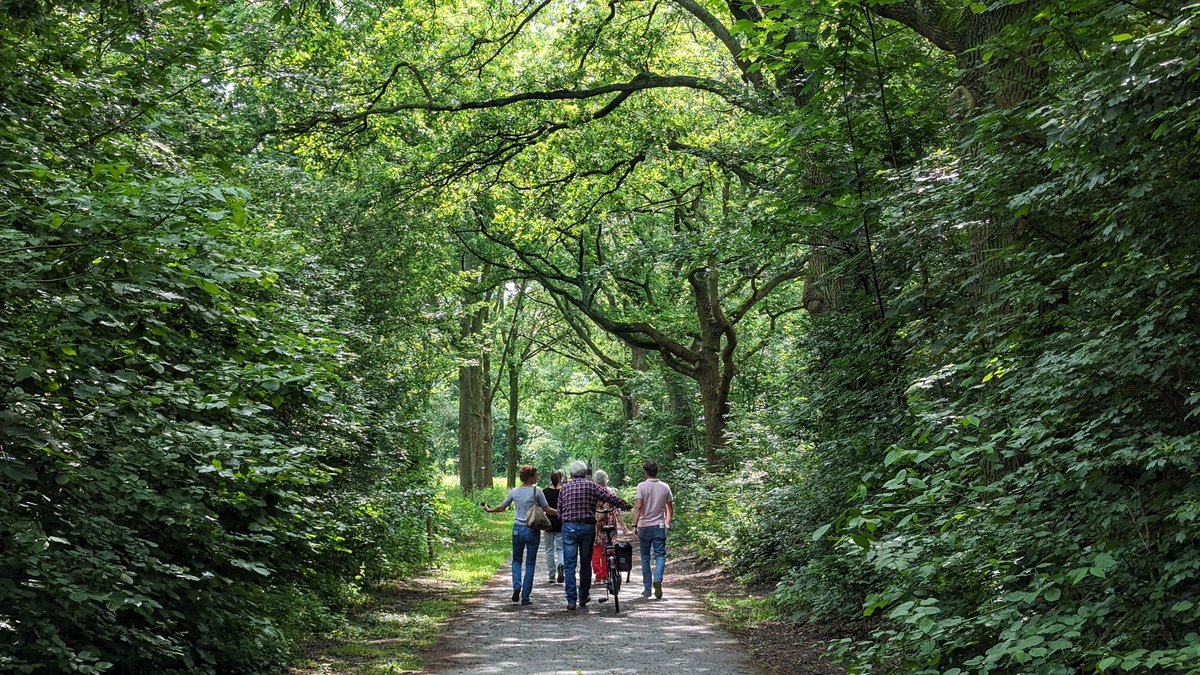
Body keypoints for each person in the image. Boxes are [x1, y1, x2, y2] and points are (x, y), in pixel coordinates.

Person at [557, 461, 632, 610]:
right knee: (585, 563)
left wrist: (566, 521)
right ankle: (583, 596)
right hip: (587, 527)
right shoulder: (591, 486)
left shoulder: (564, 488)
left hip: (569, 527)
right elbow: (609, 497)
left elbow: (559, 511)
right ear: (585, 474)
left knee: (570, 565)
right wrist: (625, 505)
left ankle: (571, 600)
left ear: (571, 475)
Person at [482, 465, 557, 605]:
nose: (537, 477)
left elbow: (502, 507)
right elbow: (546, 509)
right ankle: (526, 597)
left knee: (516, 560)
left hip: (517, 529)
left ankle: (517, 586)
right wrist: (560, 512)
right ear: (530, 477)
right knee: (530, 563)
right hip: (532, 529)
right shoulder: (537, 491)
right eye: (536, 475)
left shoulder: (514, 491)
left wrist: (489, 510)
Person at [630, 460, 673, 599]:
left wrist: (634, 525)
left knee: (645, 557)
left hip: (644, 526)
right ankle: (658, 579)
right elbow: (669, 508)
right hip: (659, 525)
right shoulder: (665, 487)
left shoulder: (641, 486)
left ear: (645, 472)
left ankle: (647, 589)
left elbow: (639, 507)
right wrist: (667, 522)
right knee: (660, 555)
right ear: (656, 471)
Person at [590, 469, 630, 583]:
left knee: (596, 551)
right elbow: (617, 510)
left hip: (596, 526)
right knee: (608, 549)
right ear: (605, 480)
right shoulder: (610, 491)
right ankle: (606, 575)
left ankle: (598, 577)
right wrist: (623, 526)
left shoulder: (592, 492)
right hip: (610, 525)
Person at [542, 470, 565, 584]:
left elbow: (542, 508)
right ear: (561, 478)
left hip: (548, 524)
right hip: (561, 523)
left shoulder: (545, 492)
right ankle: (561, 565)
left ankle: (551, 575)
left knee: (549, 550)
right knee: (561, 549)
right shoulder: (564, 491)